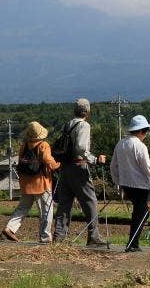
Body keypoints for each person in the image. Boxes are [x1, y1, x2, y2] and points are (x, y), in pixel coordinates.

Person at [52, 98, 107, 246]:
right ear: (87, 111)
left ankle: (59, 237)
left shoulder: (68, 125)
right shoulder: (84, 125)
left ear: (74, 110)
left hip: (65, 168)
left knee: (64, 204)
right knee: (90, 202)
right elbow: (82, 148)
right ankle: (93, 236)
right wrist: (95, 160)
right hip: (78, 167)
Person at [111, 115, 150, 252]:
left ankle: (133, 242)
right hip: (139, 186)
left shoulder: (121, 144)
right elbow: (148, 168)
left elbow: (113, 166)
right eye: (146, 132)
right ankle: (132, 243)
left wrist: (117, 182)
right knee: (142, 212)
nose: (146, 135)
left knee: (139, 212)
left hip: (126, 184)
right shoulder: (140, 146)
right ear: (142, 131)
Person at [1, 122, 61, 243]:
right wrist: (58, 165)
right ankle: (45, 237)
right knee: (46, 210)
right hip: (41, 183)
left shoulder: (24, 146)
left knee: (23, 207)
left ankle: (10, 228)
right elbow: (47, 160)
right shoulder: (43, 145)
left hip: (25, 183)